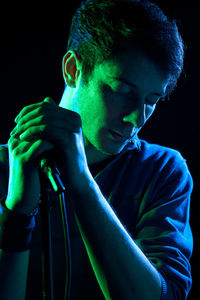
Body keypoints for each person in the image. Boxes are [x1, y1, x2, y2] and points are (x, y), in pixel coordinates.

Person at [0, 0, 193, 299]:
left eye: (151, 100)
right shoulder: (3, 168)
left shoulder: (163, 170)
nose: (135, 119)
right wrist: (17, 215)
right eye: (122, 92)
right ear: (74, 69)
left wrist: (82, 183)